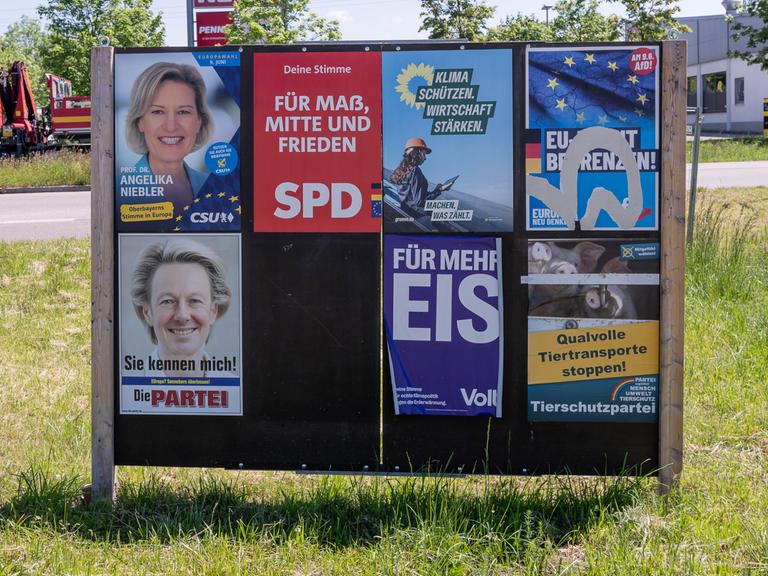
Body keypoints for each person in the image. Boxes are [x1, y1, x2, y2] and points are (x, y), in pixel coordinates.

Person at [131, 239, 232, 378]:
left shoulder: (232, 388)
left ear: (213, 311)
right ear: (147, 313)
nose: (182, 316)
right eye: (167, 301)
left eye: (195, 300)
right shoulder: (128, 388)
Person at [124, 62, 213, 219]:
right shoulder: (120, 187)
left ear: (199, 121)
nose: (171, 127)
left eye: (183, 112)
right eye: (157, 111)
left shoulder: (211, 187)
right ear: (140, 121)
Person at [389, 137, 453, 217]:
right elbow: (420, 202)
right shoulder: (415, 171)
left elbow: (412, 198)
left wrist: (437, 190)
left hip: (408, 214)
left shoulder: (401, 171)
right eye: (424, 154)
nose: (425, 158)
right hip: (420, 217)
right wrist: (439, 190)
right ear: (417, 153)